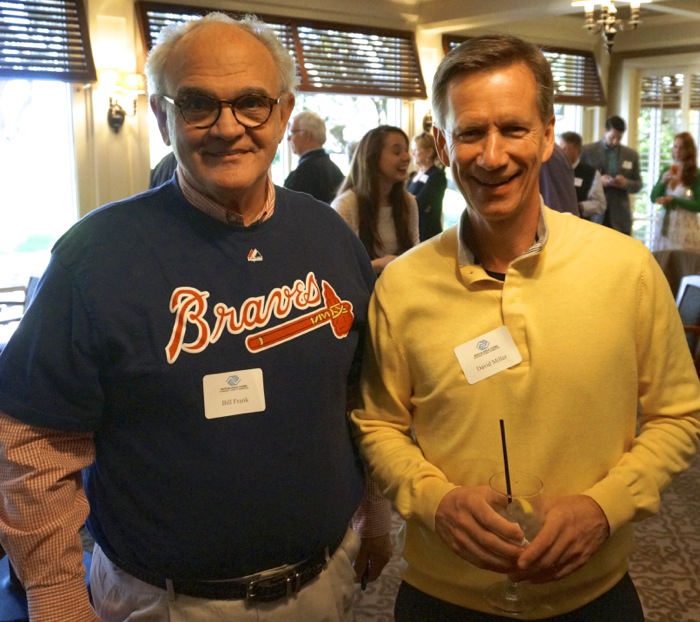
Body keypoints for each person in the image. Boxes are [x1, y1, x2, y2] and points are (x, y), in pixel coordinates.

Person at [0, 13, 392, 621]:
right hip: (163, 602)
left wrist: (374, 520)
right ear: (163, 118)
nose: (227, 127)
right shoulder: (94, 257)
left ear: (284, 115)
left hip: (323, 581)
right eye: (198, 104)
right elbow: (33, 444)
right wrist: (54, 594)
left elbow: (357, 398)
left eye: (252, 103)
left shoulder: (328, 236)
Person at [352, 33, 700, 621]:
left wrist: (606, 507)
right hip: (443, 600)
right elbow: (377, 424)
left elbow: (677, 415)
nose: (492, 156)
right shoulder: (402, 285)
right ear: (440, 143)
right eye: (469, 133)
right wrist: (433, 502)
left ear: (545, 135)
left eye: (513, 129)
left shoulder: (627, 269)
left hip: (595, 596)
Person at [332, 125, 419, 275]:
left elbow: (414, 251)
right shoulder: (346, 205)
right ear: (372, 157)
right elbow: (336, 267)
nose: (407, 157)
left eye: (406, 150)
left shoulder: (408, 202)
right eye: (397, 151)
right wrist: (376, 265)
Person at [580, 115, 643, 235]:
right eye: (612, 137)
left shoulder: (631, 155)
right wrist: (597, 181)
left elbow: (638, 185)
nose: (615, 142)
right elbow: (578, 181)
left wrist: (626, 183)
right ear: (604, 132)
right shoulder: (587, 151)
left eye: (619, 138)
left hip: (620, 216)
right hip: (594, 215)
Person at [650, 131, 700, 252]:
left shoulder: (695, 174)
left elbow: (698, 205)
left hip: (685, 226)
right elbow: (653, 198)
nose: (677, 151)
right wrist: (662, 182)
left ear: (689, 150)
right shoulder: (667, 170)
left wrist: (675, 200)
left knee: (683, 264)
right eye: (675, 146)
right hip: (666, 224)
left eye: (681, 148)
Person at [284, 110, 345, 203]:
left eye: (292, 132)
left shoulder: (304, 173)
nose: (288, 138)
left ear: (307, 136)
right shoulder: (334, 169)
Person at [407, 131, 447, 241]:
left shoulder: (437, 176)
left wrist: (410, 199)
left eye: (416, 150)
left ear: (429, 152)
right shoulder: (413, 175)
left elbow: (419, 203)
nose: (412, 153)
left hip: (428, 235)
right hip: (413, 232)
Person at [559, 131, 606, 221]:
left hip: (579, 224)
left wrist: (580, 206)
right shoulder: (553, 169)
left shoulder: (591, 173)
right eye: (559, 149)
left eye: (565, 149)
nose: (561, 153)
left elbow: (600, 204)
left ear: (578, 151)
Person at [538, 143, 580, 216]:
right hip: (562, 218)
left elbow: (552, 198)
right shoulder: (556, 152)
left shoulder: (544, 152)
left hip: (553, 218)